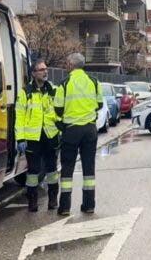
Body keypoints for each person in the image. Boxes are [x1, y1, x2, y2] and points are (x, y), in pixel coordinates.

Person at [54, 52, 103, 215]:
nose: (66, 65)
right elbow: (99, 104)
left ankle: (65, 207)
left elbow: (58, 108)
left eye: (67, 63)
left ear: (71, 65)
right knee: (89, 168)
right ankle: (89, 205)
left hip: (71, 130)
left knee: (67, 168)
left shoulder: (64, 83)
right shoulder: (94, 81)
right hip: (90, 130)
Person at [16, 60, 60, 212]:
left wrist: (60, 129)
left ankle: (53, 199)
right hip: (32, 138)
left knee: (52, 169)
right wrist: (20, 138)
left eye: (46, 69)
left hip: (50, 135)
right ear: (33, 73)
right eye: (41, 70)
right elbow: (19, 116)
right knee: (33, 171)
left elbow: (60, 112)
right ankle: (32, 201)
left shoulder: (53, 90)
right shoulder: (25, 92)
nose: (45, 72)